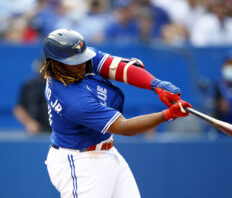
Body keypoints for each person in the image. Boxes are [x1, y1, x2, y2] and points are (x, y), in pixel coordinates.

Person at [42, 29, 191, 198]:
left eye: (82, 57)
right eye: (75, 60)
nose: (82, 63)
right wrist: (168, 114)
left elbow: (118, 68)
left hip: (106, 153)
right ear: (55, 63)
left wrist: (156, 85)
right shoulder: (72, 99)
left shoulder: (76, 64)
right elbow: (124, 127)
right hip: (80, 162)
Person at [13, 59, 51, 134]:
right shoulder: (29, 85)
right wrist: (29, 122)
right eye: (42, 66)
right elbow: (18, 109)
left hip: (58, 132)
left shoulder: (60, 86)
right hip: (36, 132)